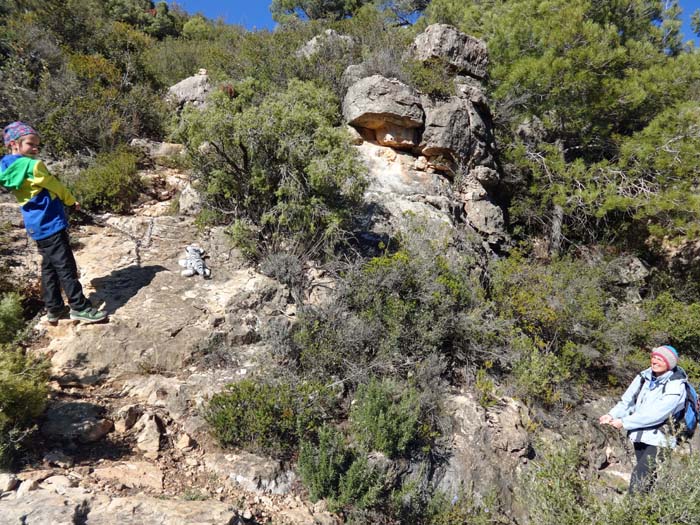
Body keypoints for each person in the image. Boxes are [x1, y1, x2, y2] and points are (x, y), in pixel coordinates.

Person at [0, 121, 107, 323]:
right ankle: (80, 307)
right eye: (30, 144)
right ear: (14, 144)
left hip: (35, 225)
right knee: (66, 267)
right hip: (51, 223)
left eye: (36, 144)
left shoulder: (5, 166)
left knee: (49, 267)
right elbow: (55, 186)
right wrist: (71, 201)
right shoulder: (33, 165)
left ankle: (54, 308)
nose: (35, 148)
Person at [599, 344, 686, 493]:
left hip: (661, 439)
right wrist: (612, 415)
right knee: (647, 479)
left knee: (639, 478)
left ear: (669, 364)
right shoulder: (643, 377)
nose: (655, 361)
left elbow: (656, 414)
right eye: (654, 357)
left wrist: (624, 422)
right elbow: (627, 402)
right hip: (640, 435)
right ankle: (646, 512)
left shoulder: (676, 386)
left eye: (661, 359)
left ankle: (631, 514)